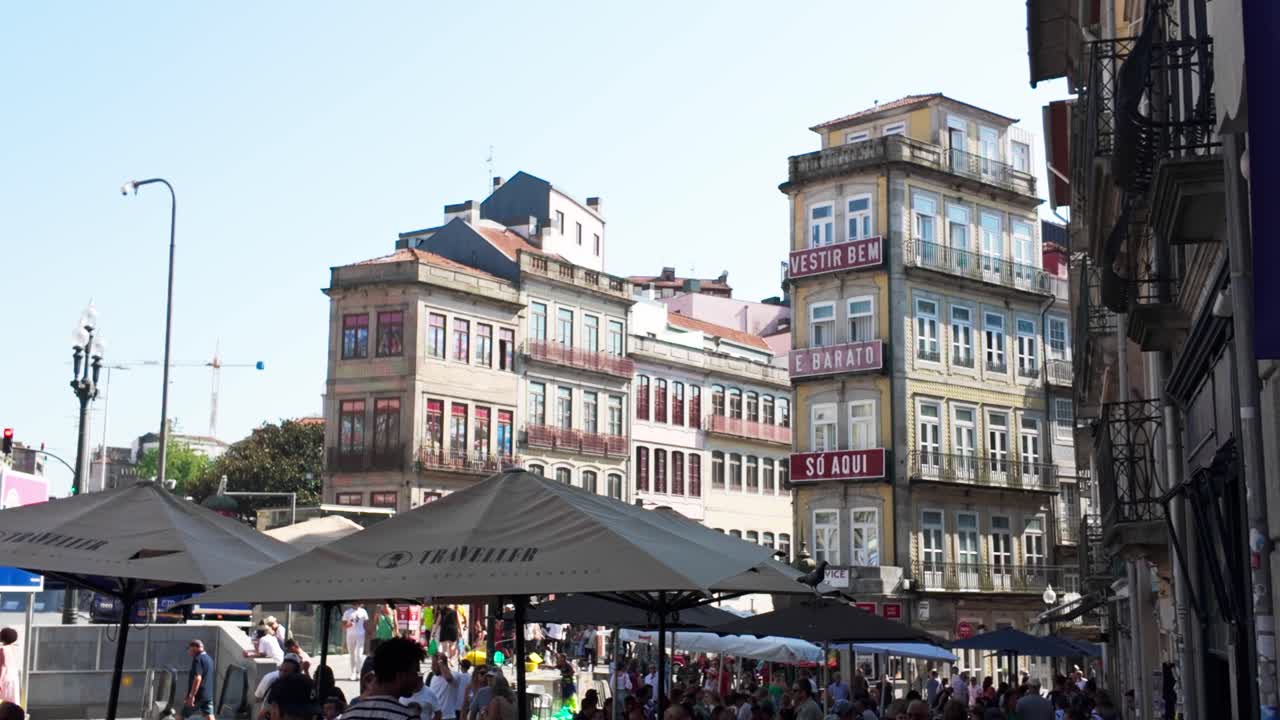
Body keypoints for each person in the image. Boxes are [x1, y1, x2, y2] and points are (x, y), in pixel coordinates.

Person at [342, 637, 427, 720]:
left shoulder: (348, 715)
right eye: (415, 673)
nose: (417, 678)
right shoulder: (409, 717)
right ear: (400, 676)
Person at [185, 639, 217, 720]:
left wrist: (192, 696)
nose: (188, 651)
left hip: (198, 695)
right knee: (210, 716)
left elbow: (198, 678)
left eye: (189, 649)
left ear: (195, 648)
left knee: (181, 715)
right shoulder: (209, 659)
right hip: (207, 695)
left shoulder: (198, 659)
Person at [431, 651, 466, 720]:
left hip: (448, 717)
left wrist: (440, 662)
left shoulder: (455, 675)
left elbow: (448, 678)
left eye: (434, 665)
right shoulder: (433, 677)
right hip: (434, 716)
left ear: (441, 664)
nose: (432, 667)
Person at [343, 603, 371, 681]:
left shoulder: (363, 611)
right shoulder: (347, 612)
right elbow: (344, 625)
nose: (358, 604)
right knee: (352, 654)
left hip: (360, 635)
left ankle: (358, 672)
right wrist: (350, 624)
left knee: (359, 655)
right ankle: (353, 673)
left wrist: (368, 632)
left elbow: (366, 623)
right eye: (356, 602)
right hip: (350, 635)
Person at [0, 629, 18, 705]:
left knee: (3, 704)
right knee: (12, 703)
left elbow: (3, 667)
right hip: (13, 679)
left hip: (5, 680)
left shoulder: (2, 650)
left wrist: (0, 681)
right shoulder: (14, 649)